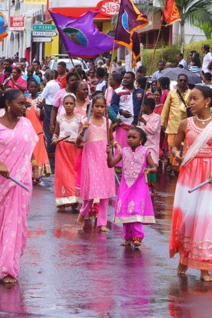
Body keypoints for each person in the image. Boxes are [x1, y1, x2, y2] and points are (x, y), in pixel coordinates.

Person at [169, 85, 212, 282]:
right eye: (190, 99)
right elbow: (174, 147)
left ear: (207, 101)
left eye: (195, 99)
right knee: (188, 217)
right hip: (189, 174)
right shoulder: (185, 124)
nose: (191, 103)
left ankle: (204, 268)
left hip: (211, 176)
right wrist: (177, 156)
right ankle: (184, 257)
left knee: (206, 219)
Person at [0, 89, 38, 284]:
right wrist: (0, 164)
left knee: (15, 224)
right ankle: (3, 256)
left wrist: (35, 166)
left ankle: (9, 269)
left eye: (26, 104)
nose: (24, 107)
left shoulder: (26, 125)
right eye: (20, 103)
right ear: (8, 104)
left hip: (20, 182)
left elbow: (29, 149)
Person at [107, 127, 157, 247]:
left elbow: (154, 167)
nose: (130, 139)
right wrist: (108, 154)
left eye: (134, 137)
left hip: (139, 187)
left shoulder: (145, 152)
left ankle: (137, 237)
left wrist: (149, 170)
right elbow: (110, 164)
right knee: (125, 210)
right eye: (128, 137)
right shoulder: (123, 151)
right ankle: (127, 238)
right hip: (125, 187)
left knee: (136, 210)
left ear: (141, 140)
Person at [76, 95, 115, 232]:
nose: (99, 109)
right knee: (92, 190)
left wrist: (115, 146)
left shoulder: (108, 122)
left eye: (102, 106)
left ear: (105, 108)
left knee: (105, 191)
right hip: (90, 158)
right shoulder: (85, 121)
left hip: (104, 158)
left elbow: (111, 139)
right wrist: (82, 130)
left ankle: (102, 222)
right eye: (96, 106)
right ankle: (83, 214)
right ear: (92, 107)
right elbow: (78, 143)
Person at [53, 94, 83, 211]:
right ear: (63, 105)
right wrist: (54, 139)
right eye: (66, 103)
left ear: (75, 104)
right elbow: (56, 133)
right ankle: (62, 202)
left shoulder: (80, 118)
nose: (69, 105)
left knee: (74, 174)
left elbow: (82, 134)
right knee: (62, 174)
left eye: (71, 103)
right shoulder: (59, 118)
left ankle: (74, 200)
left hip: (75, 148)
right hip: (61, 148)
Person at [161, 74, 190, 172]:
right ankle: (174, 167)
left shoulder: (191, 93)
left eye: (184, 80)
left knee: (185, 147)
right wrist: (162, 123)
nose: (182, 82)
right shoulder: (171, 93)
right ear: (177, 81)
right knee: (172, 146)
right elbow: (166, 109)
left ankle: (181, 166)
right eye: (180, 80)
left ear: (187, 82)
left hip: (186, 126)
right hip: (173, 126)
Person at [25, 79, 51, 182]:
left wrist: (42, 109)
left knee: (38, 153)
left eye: (35, 87)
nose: (33, 89)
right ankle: (30, 174)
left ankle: (38, 174)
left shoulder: (41, 100)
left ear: (38, 88)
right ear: (28, 88)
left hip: (38, 130)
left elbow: (42, 117)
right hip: (28, 130)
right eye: (31, 87)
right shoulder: (25, 100)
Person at [138, 97, 161, 190]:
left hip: (152, 145)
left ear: (148, 106)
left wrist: (144, 122)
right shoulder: (142, 117)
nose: (142, 107)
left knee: (152, 166)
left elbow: (153, 130)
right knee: (143, 165)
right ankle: (144, 185)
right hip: (143, 145)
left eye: (143, 105)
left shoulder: (157, 117)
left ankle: (152, 187)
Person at [40, 70, 60, 155]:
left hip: (48, 107)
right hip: (55, 106)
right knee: (53, 126)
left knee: (48, 127)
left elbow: (42, 96)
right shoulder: (57, 84)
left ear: (48, 76)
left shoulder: (49, 85)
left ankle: (50, 147)